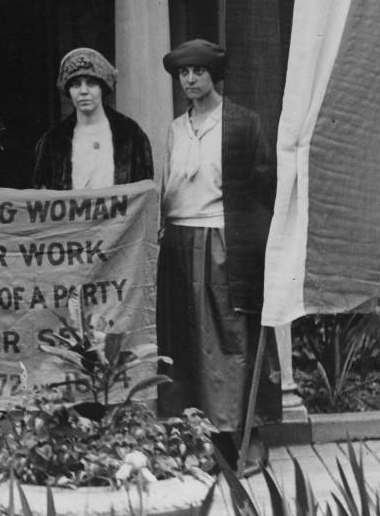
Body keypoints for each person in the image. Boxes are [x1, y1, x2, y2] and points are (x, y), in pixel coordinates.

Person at [156, 39, 280, 472]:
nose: (190, 80)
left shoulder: (243, 123)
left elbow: (266, 188)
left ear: (214, 75)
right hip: (178, 243)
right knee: (186, 344)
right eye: (183, 73)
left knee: (231, 341)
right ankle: (200, 440)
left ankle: (247, 439)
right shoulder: (175, 129)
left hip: (224, 245)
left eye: (198, 71)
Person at [32, 48, 153, 190]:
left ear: (102, 88)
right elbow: (42, 196)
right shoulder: (52, 140)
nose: (83, 91)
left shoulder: (130, 134)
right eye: (76, 84)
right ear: (68, 90)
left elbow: (143, 193)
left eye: (91, 83)